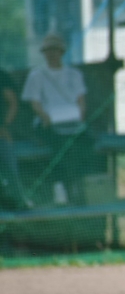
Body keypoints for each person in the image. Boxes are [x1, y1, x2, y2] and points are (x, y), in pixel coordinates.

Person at [21, 33, 87, 205]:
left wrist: (80, 116)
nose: (52, 54)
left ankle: (80, 186)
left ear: (62, 52)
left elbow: (81, 100)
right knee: (58, 149)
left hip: (72, 122)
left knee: (84, 144)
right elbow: (35, 103)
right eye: (48, 51)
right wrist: (45, 117)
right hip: (48, 123)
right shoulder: (37, 75)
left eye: (55, 50)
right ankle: (61, 188)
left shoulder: (74, 74)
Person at [0, 68, 31, 210]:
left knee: (7, 158)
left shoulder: (2, 75)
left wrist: (4, 126)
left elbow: (12, 103)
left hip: (2, 134)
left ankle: (18, 199)